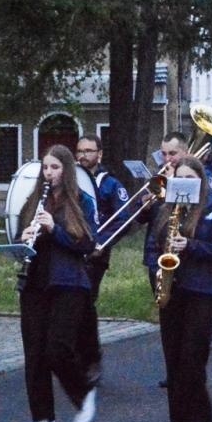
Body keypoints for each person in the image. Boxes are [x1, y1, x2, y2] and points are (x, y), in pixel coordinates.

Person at [144, 157, 212, 422]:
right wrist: (157, 270)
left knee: (193, 355)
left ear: (200, 181)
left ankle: (202, 420)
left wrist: (190, 245)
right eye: (179, 178)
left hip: (202, 289)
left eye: (190, 179)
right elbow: (151, 247)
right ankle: (179, 420)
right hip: (173, 289)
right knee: (173, 356)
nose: (184, 183)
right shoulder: (165, 209)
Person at [15, 144, 100, 422]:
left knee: (58, 348)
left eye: (55, 167)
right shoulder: (33, 201)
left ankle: (83, 392)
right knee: (35, 354)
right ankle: (43, 419)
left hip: (68, 283)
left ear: (66, 170)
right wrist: (24, 238)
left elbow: (88, 244)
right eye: (45, 167)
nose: (49, 173)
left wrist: (55, 229)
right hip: (34, 283)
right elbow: (20, 239)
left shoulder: (82, 201)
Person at [75, 134, 128, 385]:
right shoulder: (70, 178)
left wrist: (102, 242)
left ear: (100, 154)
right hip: (71, 249)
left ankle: (92, 357)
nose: (83, 155)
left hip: (96, 254)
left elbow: (123, 219)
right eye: (80, 151)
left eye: (88, 151)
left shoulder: (111, 184)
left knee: (85, 303)